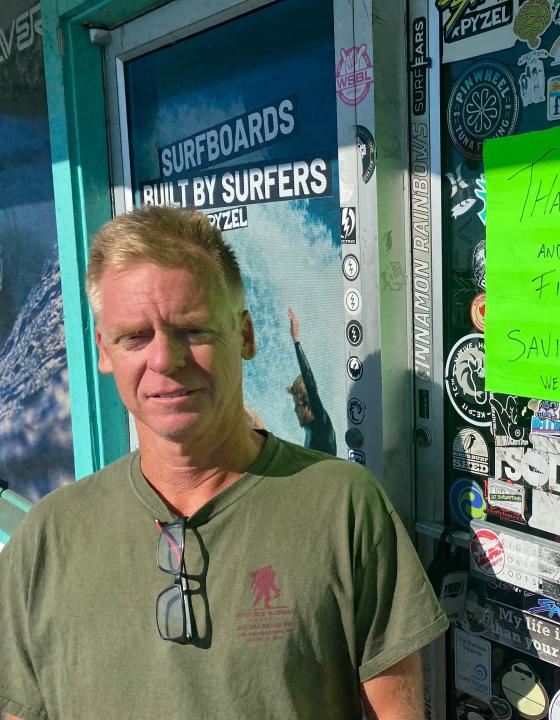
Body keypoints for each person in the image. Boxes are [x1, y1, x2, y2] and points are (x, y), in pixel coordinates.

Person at [0, 205, 447, 720]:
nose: (165, 359)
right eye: (134, 337)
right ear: (104, 351)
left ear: (246, 335)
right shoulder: (45, 541)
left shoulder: (344, 506)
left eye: (192, 330)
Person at [286, 307, 337, 455]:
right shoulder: (310, 427)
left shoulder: (320, 421)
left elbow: (310, 382)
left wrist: (296, 340)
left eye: (296, 404)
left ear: (306, 402)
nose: (295, 409)